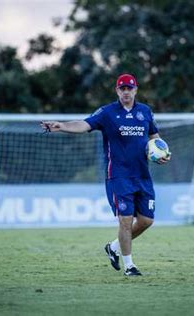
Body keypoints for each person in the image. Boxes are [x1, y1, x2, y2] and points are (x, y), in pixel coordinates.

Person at [41, 73, 170, 276]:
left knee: (146, 221)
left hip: (143, 175)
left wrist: (160, 152)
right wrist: (62, 126)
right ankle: (129, 266)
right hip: (118, 175)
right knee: (125, 221)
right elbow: (84, 124)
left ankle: (113, 248)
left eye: (130, 88)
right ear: (117, 91)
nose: (126, 92)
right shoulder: (107, 113)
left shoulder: (145, 111)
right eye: (122, 89)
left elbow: (154, 136)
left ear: (136, 90)